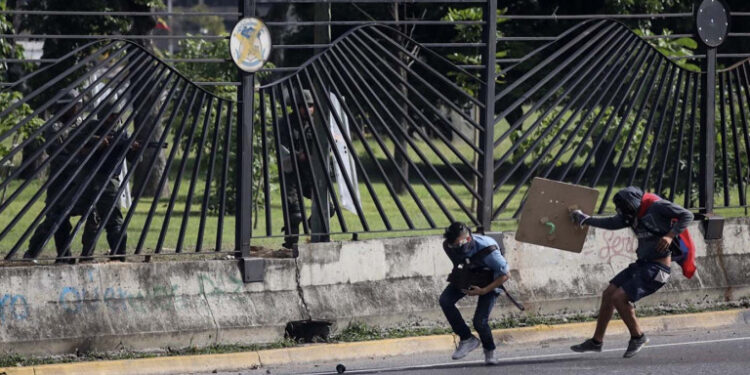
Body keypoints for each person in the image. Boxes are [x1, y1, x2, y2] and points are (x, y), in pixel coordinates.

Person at [569, 186, 693, 358]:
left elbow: (687, 215)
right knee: (609, 293)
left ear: (634, 205)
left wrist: (670, 235)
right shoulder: (631, 215)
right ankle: (596, 341)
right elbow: (612, 222)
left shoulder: (657, 206)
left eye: (627, 212)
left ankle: (638, 337)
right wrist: (586, 220)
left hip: (657, 268)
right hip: (642, 264)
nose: (626, 217)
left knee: (619, 297)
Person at [24, 90, 98, 264]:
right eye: (73, 106)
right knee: (56, 218)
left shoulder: (82, 124)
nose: (76, 109)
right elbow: (58, 154)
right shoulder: (55, 127)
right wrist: (82, 158)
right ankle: (43, 252)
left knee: (94, 214)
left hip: (81, 180)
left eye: (77, 106)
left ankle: (87, 255)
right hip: (61, 181)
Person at [439, 222, 510, 365]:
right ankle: (467, 339)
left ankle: (490, 351)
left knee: (479, 321)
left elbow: (505, 275)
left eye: (458, 245)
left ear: (468, 239)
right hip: (470, 274)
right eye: (452, 245)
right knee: (445, 300)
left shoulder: (488, 250)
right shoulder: (448, 245)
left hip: (492, 280)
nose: (455, 248)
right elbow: (458, 262)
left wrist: (483, 290)